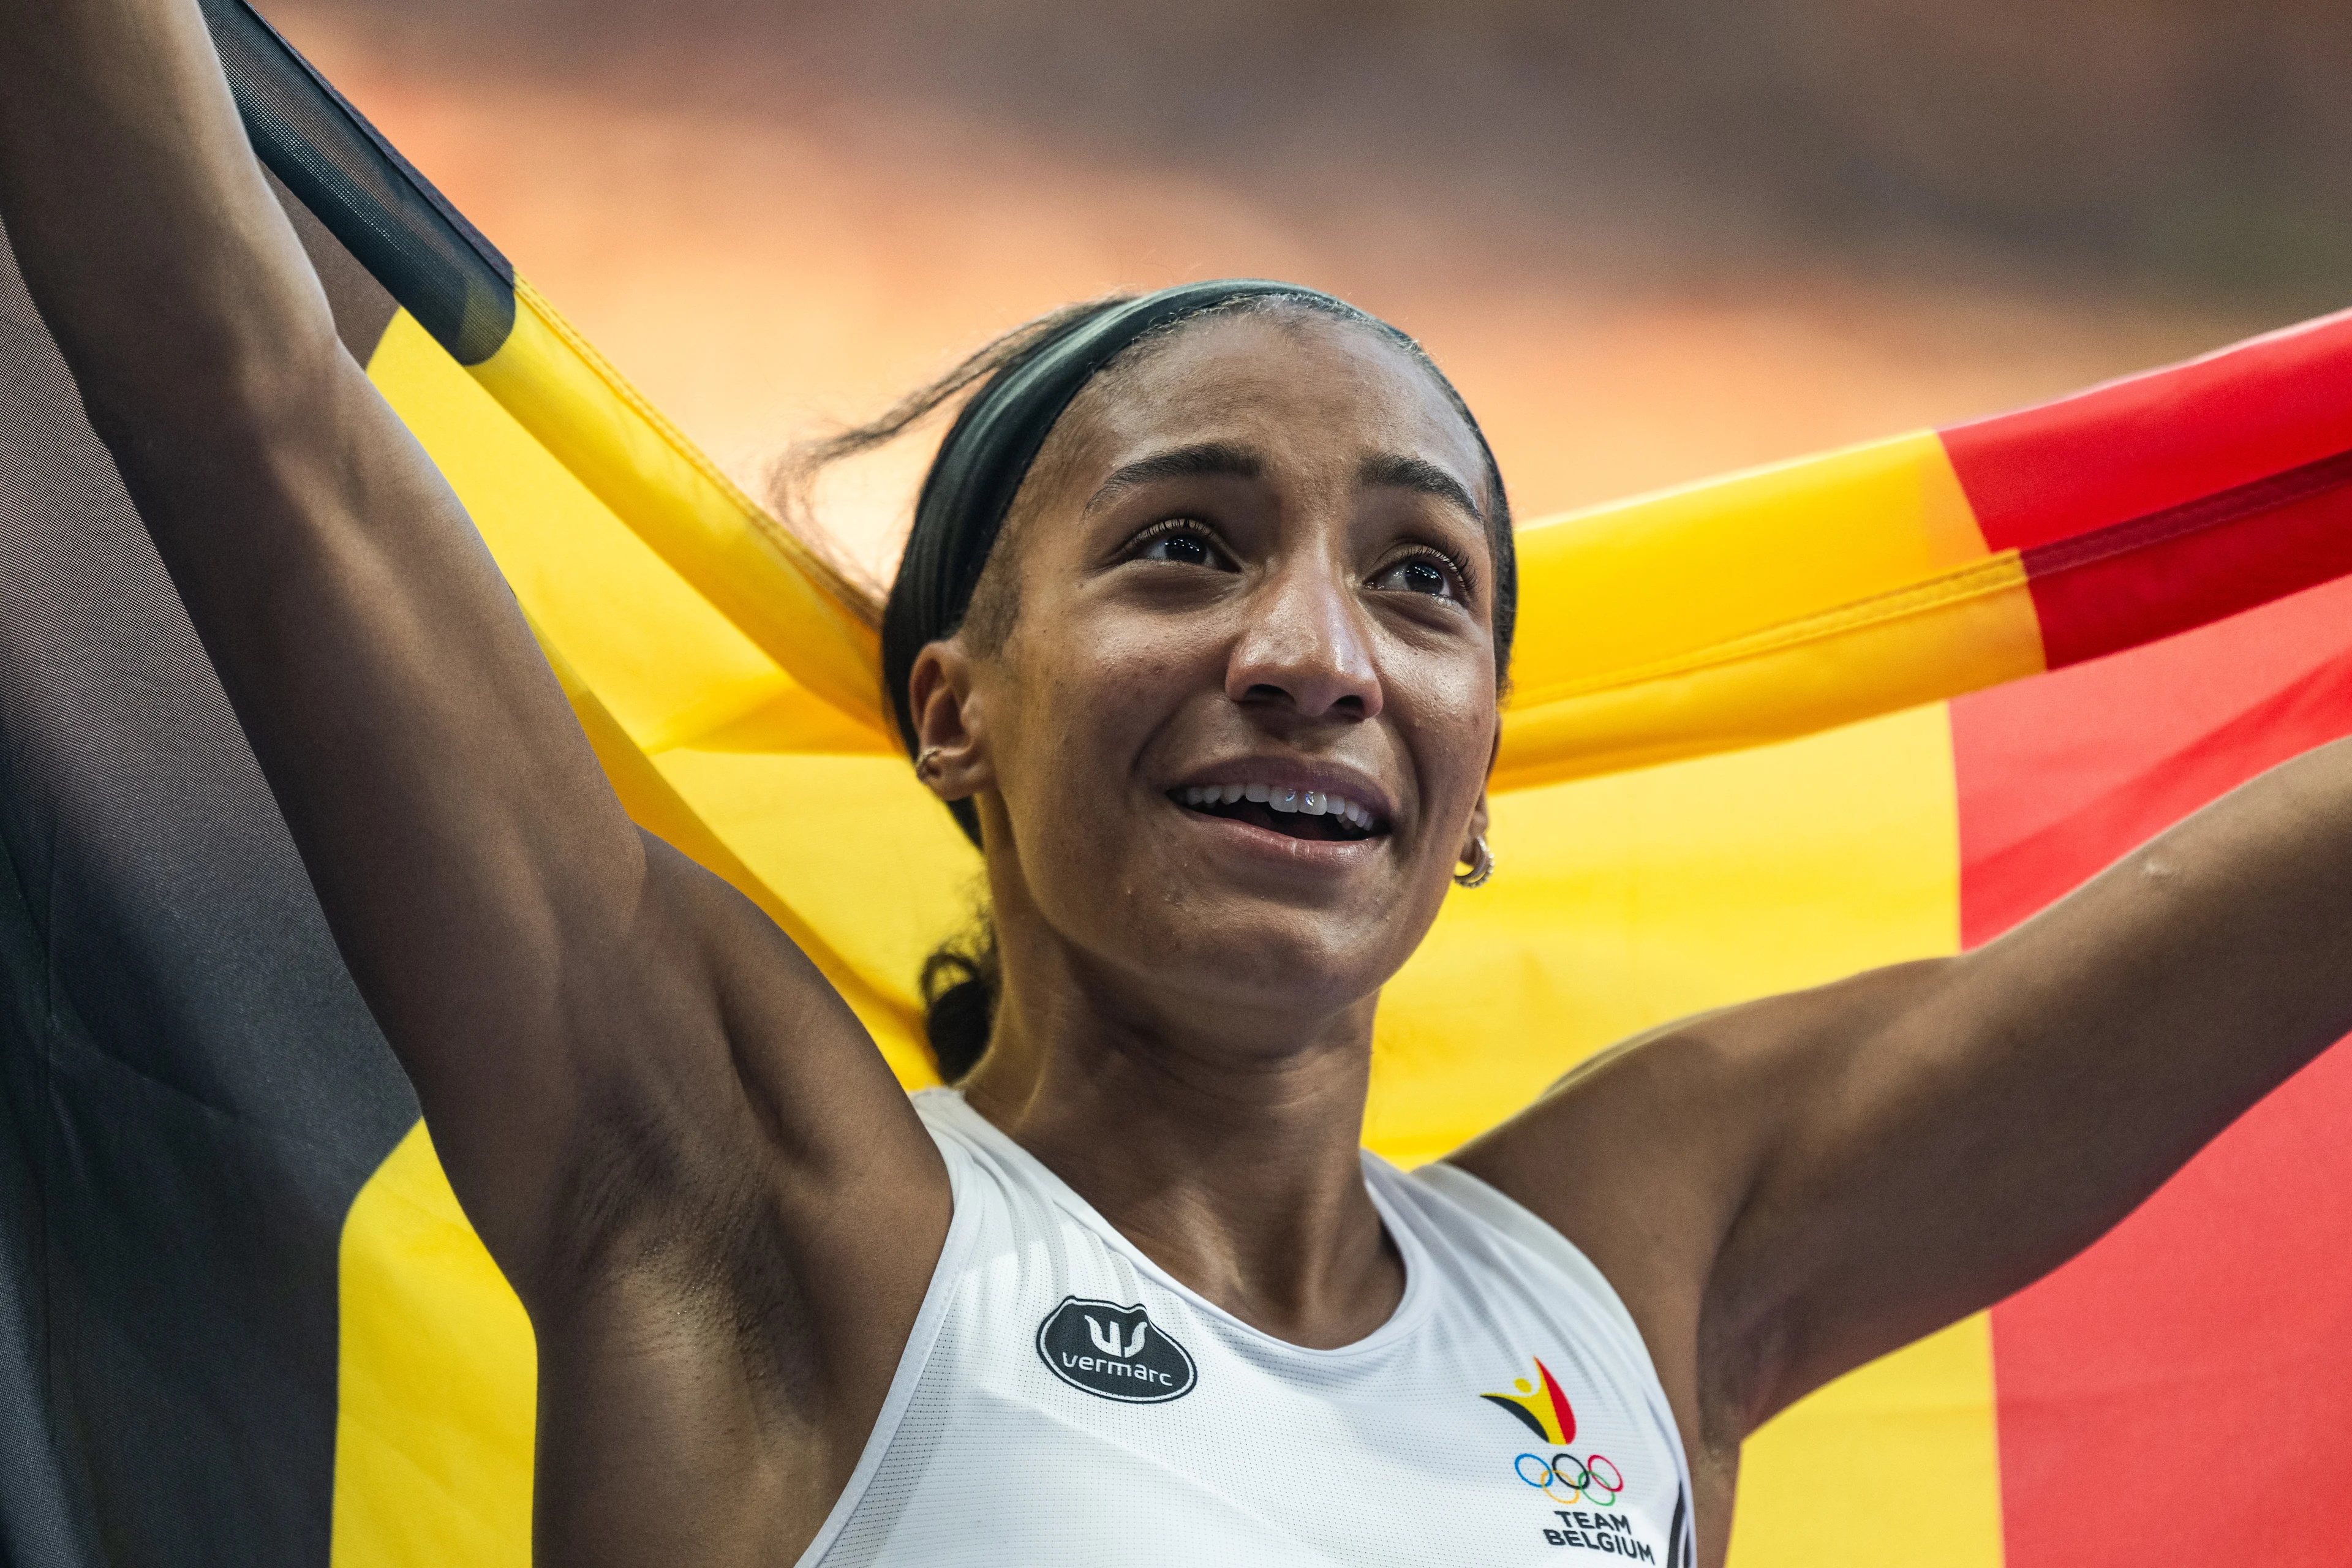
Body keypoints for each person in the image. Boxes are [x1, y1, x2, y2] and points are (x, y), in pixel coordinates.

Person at [6, 2, 2351, 1565]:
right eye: (1182, 549)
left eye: (1423, 587)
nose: (1312, 654)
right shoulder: (766, 1210)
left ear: (1475, 780)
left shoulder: (1643, 1275)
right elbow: (247, 397)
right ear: (958, 711)